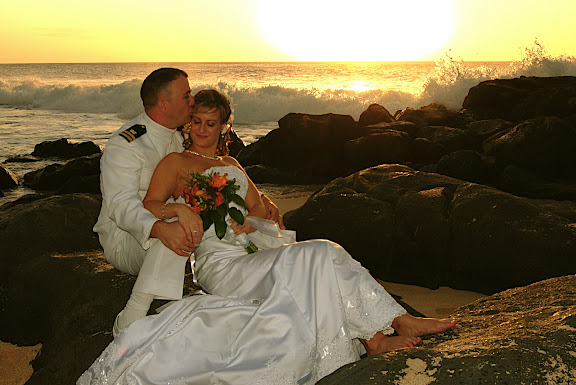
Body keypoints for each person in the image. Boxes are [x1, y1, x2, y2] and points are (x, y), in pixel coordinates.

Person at [79, 90, 457, 385]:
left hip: (251, 250)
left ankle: (379, 335)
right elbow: (150, 204)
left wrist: (255, 216)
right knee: (321, 253)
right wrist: (180, 210)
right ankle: (389, 327)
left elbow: (262, 211)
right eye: (196, 121)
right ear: (187, 124)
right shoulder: (176, 163)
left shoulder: (232, 165)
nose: (202, 130)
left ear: (224, 127)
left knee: (323, 256)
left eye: (211, 123)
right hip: (218, 262)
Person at [93, 69, 283, 337]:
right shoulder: (127, 144)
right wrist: (160, 227)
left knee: (192, 215)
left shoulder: (176, 135)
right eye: (186, 95)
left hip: (181, 226)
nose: (192, 99)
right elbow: (121, 206)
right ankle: (133, 313)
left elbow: (212, 170)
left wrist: (260, 198)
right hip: (128, 238)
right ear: (163, 104)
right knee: (178, 222)